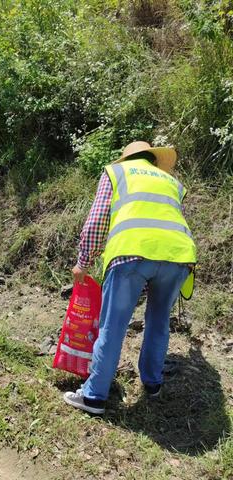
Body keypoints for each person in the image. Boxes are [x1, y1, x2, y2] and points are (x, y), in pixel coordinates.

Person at [64, 141, 197, 414]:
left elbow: (97, 220)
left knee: (113, 325)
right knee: (159, 322)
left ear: (125, 158)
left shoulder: (117, 173)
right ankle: (153, 384)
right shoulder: (171, 181)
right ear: (153, 160)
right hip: (178, 256)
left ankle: (94, 397)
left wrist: (83, 263)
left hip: (131, 253)